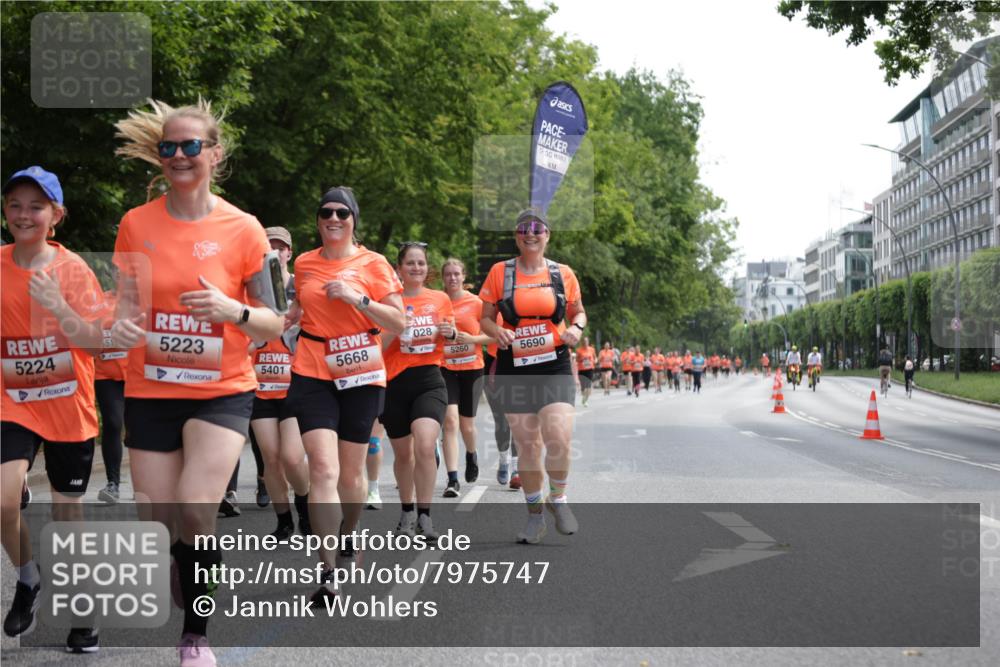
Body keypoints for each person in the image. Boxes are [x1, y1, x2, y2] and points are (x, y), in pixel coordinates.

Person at [111, 100, 285, 666]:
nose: (179, 155)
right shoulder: (136, 224)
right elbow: (126, 306)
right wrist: (119, 324)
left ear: (214, 153)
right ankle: (181, 561)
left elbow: (273, 322)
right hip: (151, 389)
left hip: (221, 389)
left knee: (195, 509)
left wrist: (233, 310)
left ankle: (195, 637)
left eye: (191, 146)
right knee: (159, 523)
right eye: (168, 147)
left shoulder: (244, 228)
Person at [2, 167, 105, 652]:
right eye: (15, 205)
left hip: (67, 403)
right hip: (13, 401)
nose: (24, 214)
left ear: (56, 215)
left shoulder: (74, 270)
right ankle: (29, 580)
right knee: (3, 502)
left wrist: (58, 306)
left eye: (36, 206)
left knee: (68, 517)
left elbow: (96, 341)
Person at [284, 186, 404, 605]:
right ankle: (328, 571)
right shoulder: (304, 263)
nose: (333, 219)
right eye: (326, 212)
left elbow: (399, 322)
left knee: (351, 476)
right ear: (318, 220)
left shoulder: (374, 263)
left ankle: (348, 532)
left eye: (342, 213)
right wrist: (286, 318)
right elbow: (300, 309)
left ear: (353, 220)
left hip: (360, 372)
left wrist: (359, 298)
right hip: (311, 369)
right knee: (322, 468)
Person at [479, 209, 585, 544]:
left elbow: (578, 312)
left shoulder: (562, 273)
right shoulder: (500, 272)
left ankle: (559, 498)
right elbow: (484, 318)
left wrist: (577, 328)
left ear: (547, 235)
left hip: (554, 364)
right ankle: (535, 517)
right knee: (528, 445)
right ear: (516, 236)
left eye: (537, 228)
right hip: (515, 367)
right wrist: (497, 331)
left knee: (559, 438)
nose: (531, 233)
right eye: (524, 229)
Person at [381, 243, 453, 531]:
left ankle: (425, 515)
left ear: (427, 267)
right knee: (403, 455)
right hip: (393, 383)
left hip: (429, 380)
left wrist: (450, 332)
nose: (416, 268)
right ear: (399, 268)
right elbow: (376, 345)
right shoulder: (387, 301)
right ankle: (407, 510)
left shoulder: (439, 299)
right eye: (410, 263)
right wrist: (396, 326)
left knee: (424, 444)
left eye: (421, 263)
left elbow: (450, 335)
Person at [249, 227, 311, 539]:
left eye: (281, 247)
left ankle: (305, 503)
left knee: (292, 457)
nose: (276, 252)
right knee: (270, 459)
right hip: (260, 386)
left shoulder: (300, 287)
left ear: (289, 252)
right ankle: (284, 521)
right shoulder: (252, 289)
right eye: (269, 247)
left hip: (294, 384)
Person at [439, 258, 489, 491]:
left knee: (467, 425)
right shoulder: (437, 302)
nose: (452, 278)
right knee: (450, 421)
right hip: (445, 368)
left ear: (463, 276)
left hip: (472, 368)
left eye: (456, 274)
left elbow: (494, 335)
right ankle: (452, 479)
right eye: (448, 274)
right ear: (443, 278)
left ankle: (471, 453)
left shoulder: (477, 303)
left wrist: (473, 339)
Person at [94, 282, 128, 505]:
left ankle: (147, 484)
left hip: (137, 375)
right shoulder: (99, 301)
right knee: (113, 423)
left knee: (140, 429)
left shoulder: (144, 301)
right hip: (105, 375)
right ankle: (112, 484)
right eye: (118, 269)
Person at [575, 336, 596, 406]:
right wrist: (581, 359)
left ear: (588, 342)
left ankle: (585, 400)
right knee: (583, 386)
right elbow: (576, 359)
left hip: (590, 369)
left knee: (588, 385)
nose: (585, 342)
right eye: (584, 341)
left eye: (586, 341)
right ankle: (584, 397)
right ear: (582, 342)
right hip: (581, 369)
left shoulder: (592, 349)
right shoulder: (578, 350)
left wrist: (595, 361)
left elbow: (595, 357)